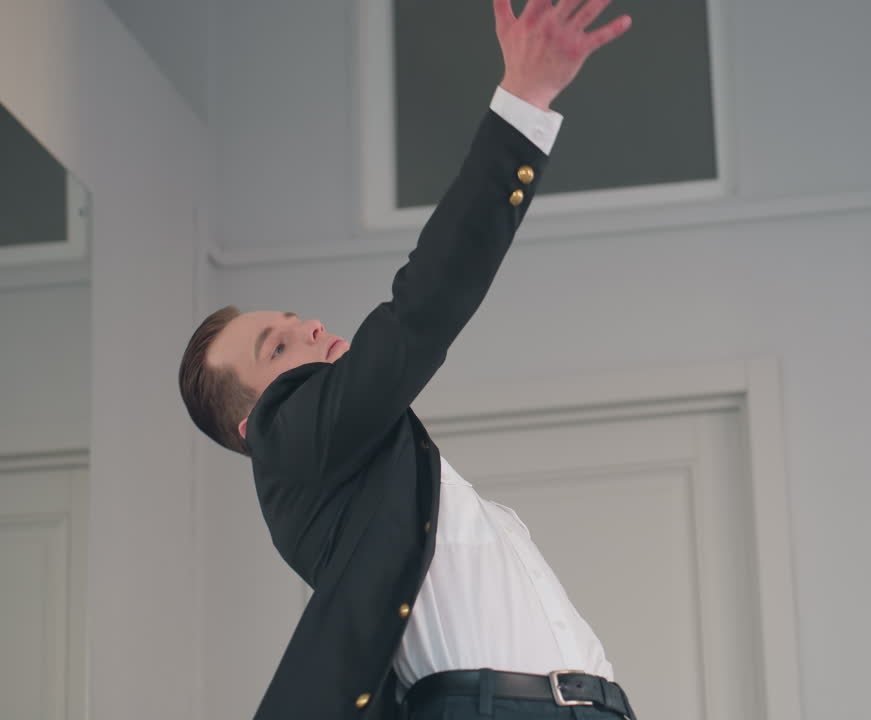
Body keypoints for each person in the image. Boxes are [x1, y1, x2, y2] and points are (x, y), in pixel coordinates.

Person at [177, 2, 635, 718]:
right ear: (253, 424)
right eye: (278, 346)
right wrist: (524, 102)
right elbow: (423, 307)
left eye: (297, 320)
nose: (308, 330)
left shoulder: (379, 469)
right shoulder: (289, 443)